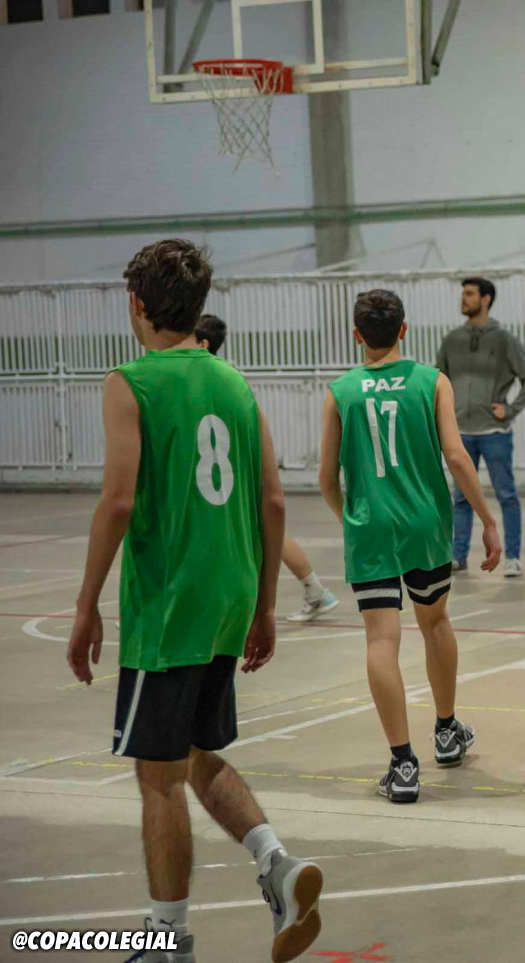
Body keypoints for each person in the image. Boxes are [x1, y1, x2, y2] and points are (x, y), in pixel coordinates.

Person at [66, 240, 323, 963]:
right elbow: (274, 501)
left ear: (137, 304)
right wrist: (266, 605)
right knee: (193, 752)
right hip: (231, 594)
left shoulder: (131, 383)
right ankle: (277, 863)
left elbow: (118, 501)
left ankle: (167, 939)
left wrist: (86, 604)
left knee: (157, 778)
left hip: (170, 603)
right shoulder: (235, 383)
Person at [319, 289, 502, 803]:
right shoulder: (432, 381)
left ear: (357, 335)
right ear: (404, 329)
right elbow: (457, 457)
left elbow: (326, 478)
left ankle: (402, 765)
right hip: (425, 525)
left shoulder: (340, 392)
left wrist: (352, 519)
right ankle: (445, 731)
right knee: (435, 622)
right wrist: (487, 520)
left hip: (370, 529)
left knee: (381, 640)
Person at [194, 314, 340, 624]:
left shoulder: (208, 380)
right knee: (263, 531)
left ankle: (313, 592)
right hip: (230, 468)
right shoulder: (228, 378)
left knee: (258, 531)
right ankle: (315, 591)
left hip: (225, 472)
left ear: (203, 344)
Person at [435, 276, 525, 579]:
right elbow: (437, 379)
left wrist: (510, 409)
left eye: (469, 294)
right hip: (460, 433)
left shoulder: (504, 339)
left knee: (506, 494)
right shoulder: (452, 340)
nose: (463, 298)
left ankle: (513, 557)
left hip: (495, 434)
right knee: (460, 497)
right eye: (463, 293)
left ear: (485, 299)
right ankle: (458, 556)